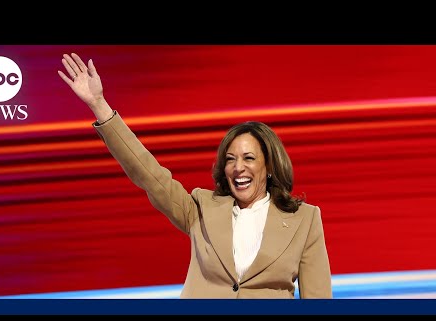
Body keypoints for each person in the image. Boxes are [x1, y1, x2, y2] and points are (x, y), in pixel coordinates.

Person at [58, 52, 333, 299]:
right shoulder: (200, 208)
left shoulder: (305, 219)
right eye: (230, 159)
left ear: (270, 166)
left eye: (249, 158)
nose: (238, 168)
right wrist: (99, 105)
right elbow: (148, 174)